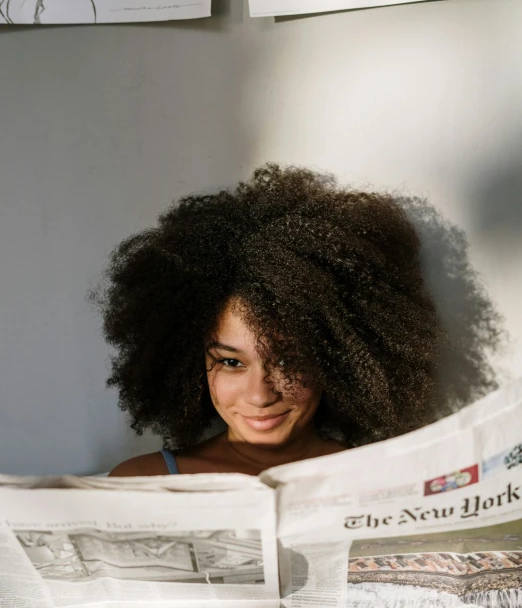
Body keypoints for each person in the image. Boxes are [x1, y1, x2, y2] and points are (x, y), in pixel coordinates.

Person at [93, 164, 501, 477]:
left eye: (288, 360)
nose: (260, 395)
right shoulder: (144, 480)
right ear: (189, 365)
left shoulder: (381, 477)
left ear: (339, 359)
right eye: (231, 362)